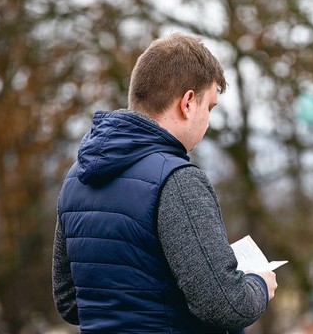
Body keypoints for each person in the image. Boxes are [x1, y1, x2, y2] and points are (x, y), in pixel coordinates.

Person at [52, 32, 277, 333]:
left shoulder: (76, 178)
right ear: (187, 103)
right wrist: (259, 283)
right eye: (209, 107)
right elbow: (225, 305)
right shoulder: (178, 181)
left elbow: (69, 301)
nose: (207, 121)